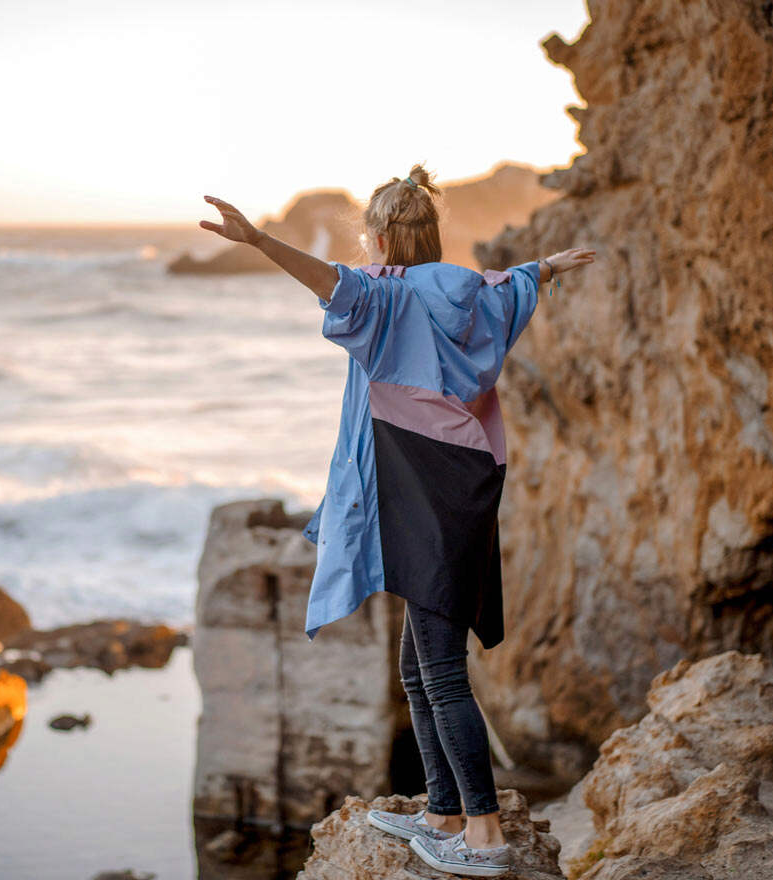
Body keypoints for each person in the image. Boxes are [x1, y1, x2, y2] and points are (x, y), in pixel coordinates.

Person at [199, 164, 594, 878]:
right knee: (418, 667)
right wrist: (547, 267)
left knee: (441, 673)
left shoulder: (383, 298)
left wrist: (259, 240)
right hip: (465, 487)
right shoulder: (471, 289)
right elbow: (512, 284)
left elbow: (327, 280)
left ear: (378, 238)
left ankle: (483, 837)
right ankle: (442, 810)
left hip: (420, 490)